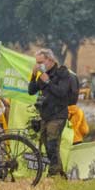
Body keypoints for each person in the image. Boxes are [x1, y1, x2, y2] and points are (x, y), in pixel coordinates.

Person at [29, 49, 76, 177]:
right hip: (46, 115)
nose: (38, 65)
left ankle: (53, 173)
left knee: (52, 144)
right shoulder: (43, 74)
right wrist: (34, 76)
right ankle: (60, 173)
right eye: (37, 63)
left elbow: (61, 92)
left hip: (58, 114)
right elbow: (31, 91)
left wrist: (48, 82)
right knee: (48, 146)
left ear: (50, 60)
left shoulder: (62, 73)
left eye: (41, 62)